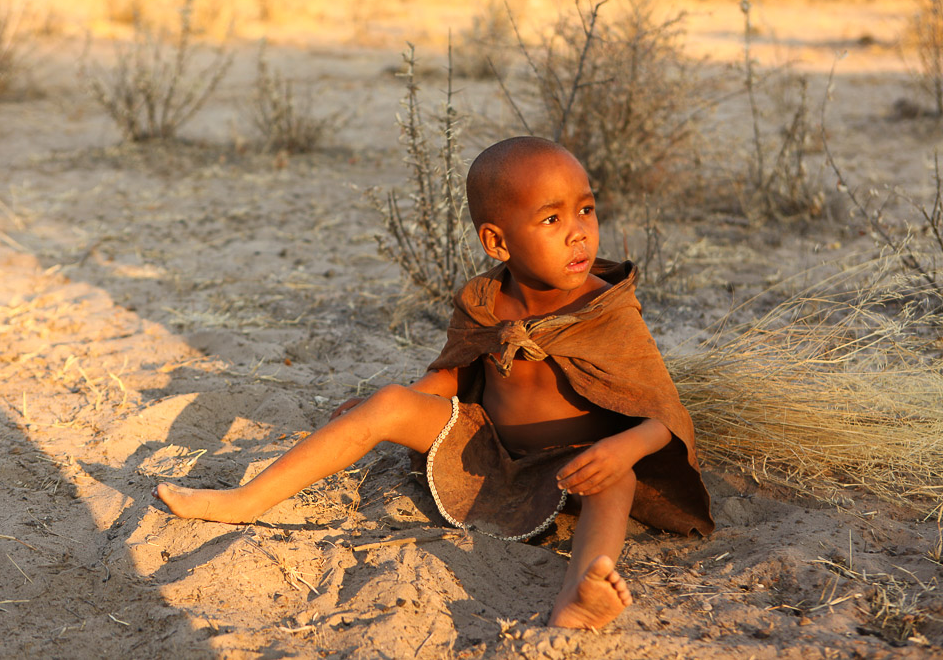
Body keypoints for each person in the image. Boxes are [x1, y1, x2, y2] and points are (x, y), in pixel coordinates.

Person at [154, 136, 713, 630]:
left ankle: (579, 592)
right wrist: (385, 410)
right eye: (551, 219)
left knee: (615, 482)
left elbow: (663, 412)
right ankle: (246, 499)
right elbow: (451, 374)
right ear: (497, 243)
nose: (578, 233)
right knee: (389, 401)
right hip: (486, 448)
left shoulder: (607, 307)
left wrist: (626, 447)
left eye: (586, 209)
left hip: (577, 466)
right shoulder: (485, 301)